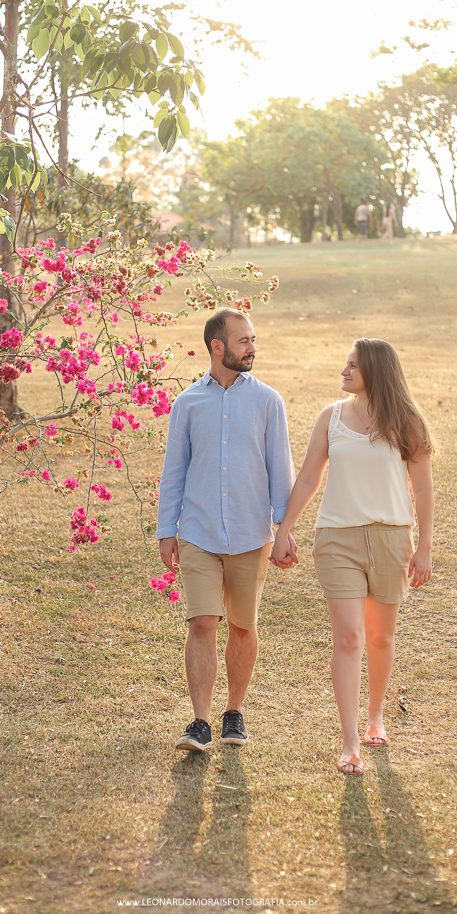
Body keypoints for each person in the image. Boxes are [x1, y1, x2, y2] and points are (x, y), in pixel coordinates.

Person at [270, 338, 435, 775]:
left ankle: (375, 717)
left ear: (376, 372)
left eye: (352, 366)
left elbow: (423, 489)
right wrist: (284, 530)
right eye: (345, 364)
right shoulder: (331, 417)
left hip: (391, 539)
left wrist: (424, 547)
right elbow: (307, 479)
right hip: (337, 540)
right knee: (348, 638)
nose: (343, 372)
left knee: (380, 637)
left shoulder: (407, 422)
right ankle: (348, 743)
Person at [157, 308, 296, 752]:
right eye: (244, 341)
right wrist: (166, 529)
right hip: (197, 533)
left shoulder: (268, 402)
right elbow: (173, 471)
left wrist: (284, 528)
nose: (252, 348)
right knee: (201, 622)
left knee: (241, 626)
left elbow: (281, 471)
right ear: (218, 347)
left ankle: (234, 712)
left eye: (253, 340)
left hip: (251, 534)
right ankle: (199, 722)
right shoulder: (187, 404)